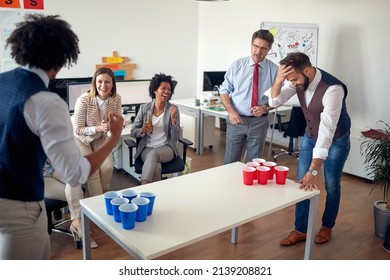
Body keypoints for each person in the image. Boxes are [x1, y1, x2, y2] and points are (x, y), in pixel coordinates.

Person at [0, 14, 123, 260]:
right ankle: (82, 219)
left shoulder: (3, 82)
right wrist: (114, 136)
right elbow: (75, 173)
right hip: (18, 208)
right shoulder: (46, 101)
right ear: (62, 58)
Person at [265, 52, 351, 246]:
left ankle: (327, 226)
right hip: (311, 136)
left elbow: (327, 131)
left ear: (306, 70)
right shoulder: (296, 79)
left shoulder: (333, 89)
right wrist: (279, 80)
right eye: (289, 80)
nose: (292, 84)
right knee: (301, 183)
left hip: (336, 139)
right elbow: (274, 102)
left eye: (294, 79)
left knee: (331, 185)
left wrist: (314, 169)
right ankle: (300, 229)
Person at [219, 29, 278, 163]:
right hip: (237, 120)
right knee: (230, 162)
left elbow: (278, 98)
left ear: (269, 49)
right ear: (251, 44)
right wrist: (231, 111)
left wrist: (265, 107)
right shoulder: (237, 65)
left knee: (255, 164)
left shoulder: (275, 70)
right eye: (256, 46)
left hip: (259, 122)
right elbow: (224, 91)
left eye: (263, 48)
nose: (258, 51)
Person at [72, 67, 122, 197]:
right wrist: (98, 128)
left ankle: (101, 193)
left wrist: (113, 126)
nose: (103, 86)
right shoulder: (84, 100)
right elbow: (77, 129)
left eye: (107, 82)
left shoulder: (116, 99)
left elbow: (117, 120)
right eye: (100, 82)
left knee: (107, 167)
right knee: (92, 171)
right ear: (94, 83)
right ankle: (98, 201)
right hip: (81, 138)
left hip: (99, 137)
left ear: (113, 84)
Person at [131, 73, 180, 185]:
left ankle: (143, 188)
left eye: (169, 89)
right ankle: (155, 197)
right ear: (154, 90)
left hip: (167, 148)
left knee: (154, 154)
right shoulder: (144, 108)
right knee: (156, 167)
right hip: (147, 147)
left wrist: (173, 119)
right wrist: (142, 130)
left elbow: (177, 137)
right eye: (163, 88)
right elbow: (133, 132)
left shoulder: (173, 109)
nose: (167, 91)